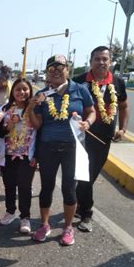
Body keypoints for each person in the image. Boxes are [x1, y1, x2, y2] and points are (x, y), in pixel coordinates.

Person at [28, 54, 96, 246]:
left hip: (72, 148)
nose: (57, 72)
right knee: (46, 187)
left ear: (68, 69)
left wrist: (87, 122)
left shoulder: (80, 90)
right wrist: (32, 108)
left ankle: (67, 227)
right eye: (52, 69)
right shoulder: (42, 94)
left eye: (61, 67)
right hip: (47, 147)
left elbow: (91, 111)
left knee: (68, 188)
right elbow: (37, 125)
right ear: (47, 73)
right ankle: (44, 225)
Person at [73, 46, 129, 232]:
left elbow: (123, 106)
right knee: (85, 176)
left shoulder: (118, 83)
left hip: (104, 139)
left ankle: (79, 204)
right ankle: (86, 212)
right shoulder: (79, 81)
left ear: (110, 61)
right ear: (91, 62)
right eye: (97, 59)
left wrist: (122, 129)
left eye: (105, 59)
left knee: (88, 177)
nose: (101, 62)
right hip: (81, 137)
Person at [0, 78, 37, 233]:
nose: (22, 92)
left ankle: (25, 217)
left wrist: (37, 156)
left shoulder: (35, 108)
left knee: (25, 187)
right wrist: (7, 127)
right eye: (18, 89)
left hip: (26, 155)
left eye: (25, 89)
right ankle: (10, 211)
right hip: (8, 154)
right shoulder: (5, 109)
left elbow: (40, 130)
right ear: (13, 92)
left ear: (30, 91)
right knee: (9, 185)